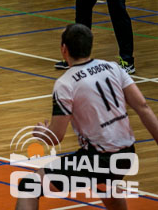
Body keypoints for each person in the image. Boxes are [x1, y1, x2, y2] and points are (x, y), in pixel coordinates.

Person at [13, 24, 158, 210]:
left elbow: (56, 137)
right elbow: (143, 107)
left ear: (64, 49)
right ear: (90, 46)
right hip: (127, 154)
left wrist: (42, 133)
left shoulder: (65, 84)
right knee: (106, 189)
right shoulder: (113, 67)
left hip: (98, 158)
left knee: (29, 186)